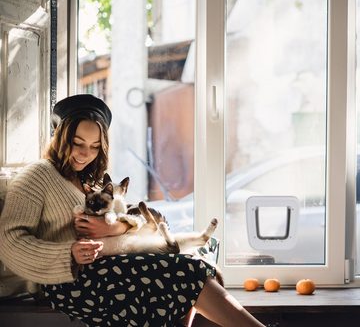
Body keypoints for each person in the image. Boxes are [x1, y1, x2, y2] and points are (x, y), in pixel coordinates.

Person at [0, 94, 265, 327]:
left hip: (109, 264)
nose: (84, 154)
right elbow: (9, 241)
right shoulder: (37, 175)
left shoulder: (92, 180)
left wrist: (116, 227)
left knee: (204, 249)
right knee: (187, 270)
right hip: (67, 282)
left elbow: (138, 213)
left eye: (94, 147)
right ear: (60, 137)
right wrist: (67, 252)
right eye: (77, 143)